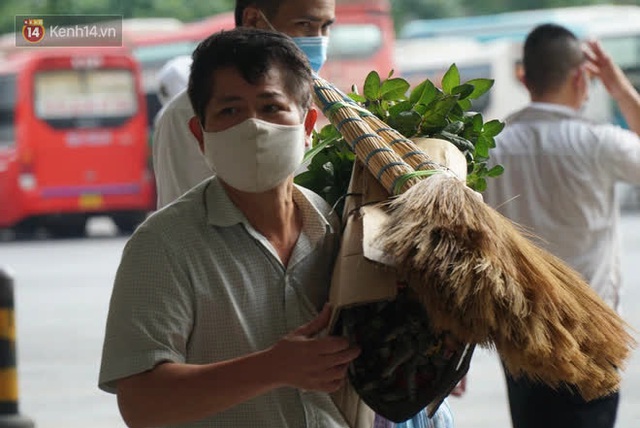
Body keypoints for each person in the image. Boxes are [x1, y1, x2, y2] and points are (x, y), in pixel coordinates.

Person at [99, 27, 360, 428]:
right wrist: (272, 368)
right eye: (230, 111)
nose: (253, 127)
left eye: (271, 107)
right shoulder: (163, 246)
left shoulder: (335, 228)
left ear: (308, 126)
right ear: (199, 135)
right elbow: (141, 404)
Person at [483, 23, 640, 428]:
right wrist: (620, 89)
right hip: (592, 335)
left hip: (520, 332)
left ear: (523, 78)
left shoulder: (492, 149)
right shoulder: (600, 143)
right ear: (581, 77)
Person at [152, 0, 334, 209]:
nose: (318, 40)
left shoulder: (320, 100)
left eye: (326, 26)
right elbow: (186, 212)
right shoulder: (185, 112)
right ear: (253, 19)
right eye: (304, 24)